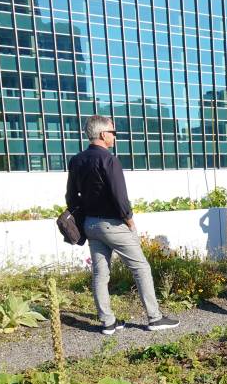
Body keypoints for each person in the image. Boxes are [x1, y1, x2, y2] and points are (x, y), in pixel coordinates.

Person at [65, 115, 179, 335]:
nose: (115, 136)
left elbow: (71, 196)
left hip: (90, 225)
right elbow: (119, 195)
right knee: (141, 267)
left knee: (100, 273)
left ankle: (108, 322)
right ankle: (155, 318)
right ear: (102, 134)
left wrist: (84, 217)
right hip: (113, 224)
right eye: (113, 132)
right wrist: (129, 220)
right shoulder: (109, 159)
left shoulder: (76, 160)